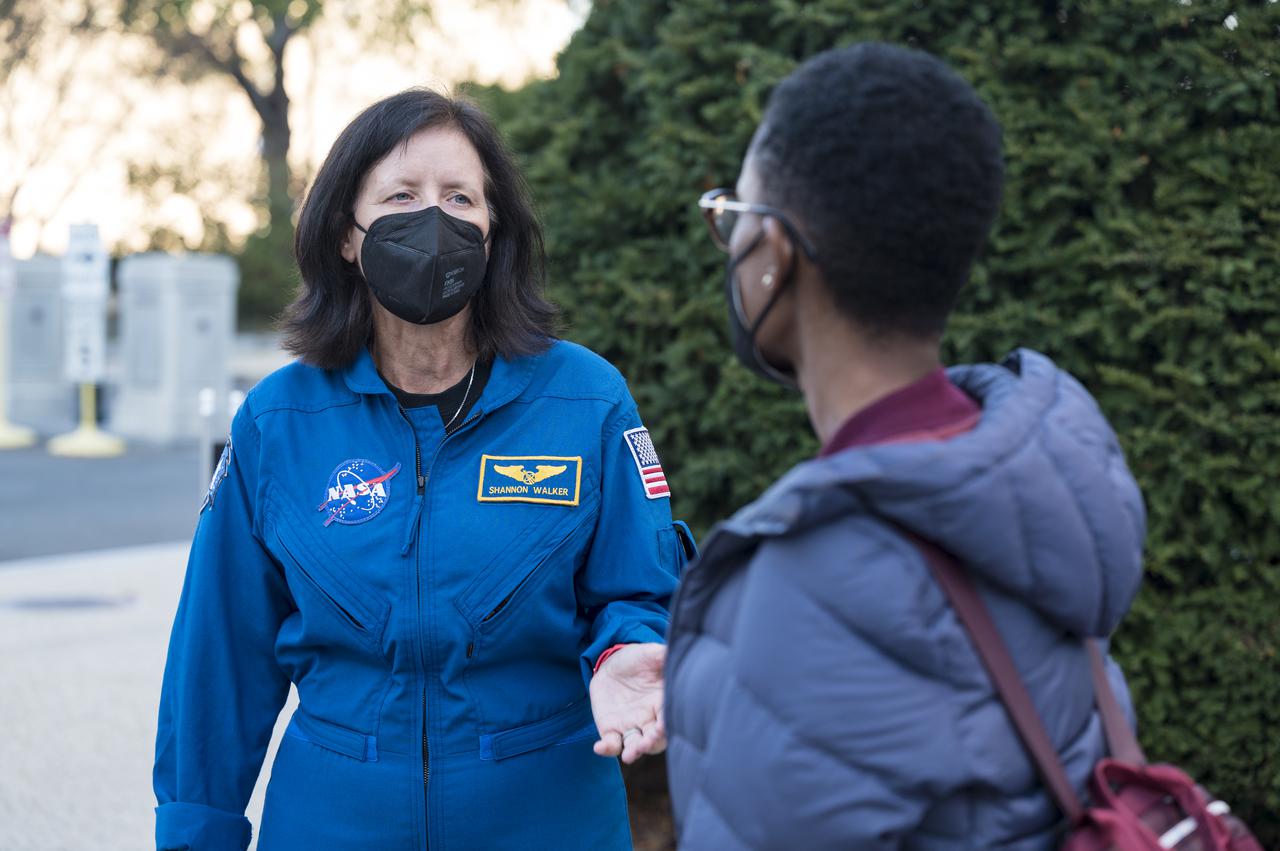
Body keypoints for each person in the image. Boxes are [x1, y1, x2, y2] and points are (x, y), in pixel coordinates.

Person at [153, 88, 692, 851]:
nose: (433, 219)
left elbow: (639, 589)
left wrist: (625, 649)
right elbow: (218, 659)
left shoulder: (587, 399)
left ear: (492, 228)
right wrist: (191, 836)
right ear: (347, 233)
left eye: (460, 197)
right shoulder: (278, 420)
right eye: (402, 195)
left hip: (547, 818)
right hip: (331, 821)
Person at [664, 43, 1147, 849]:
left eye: (736, 218)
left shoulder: (817, 577)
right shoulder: (1034, 472)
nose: (733, 246)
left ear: (776, 253)